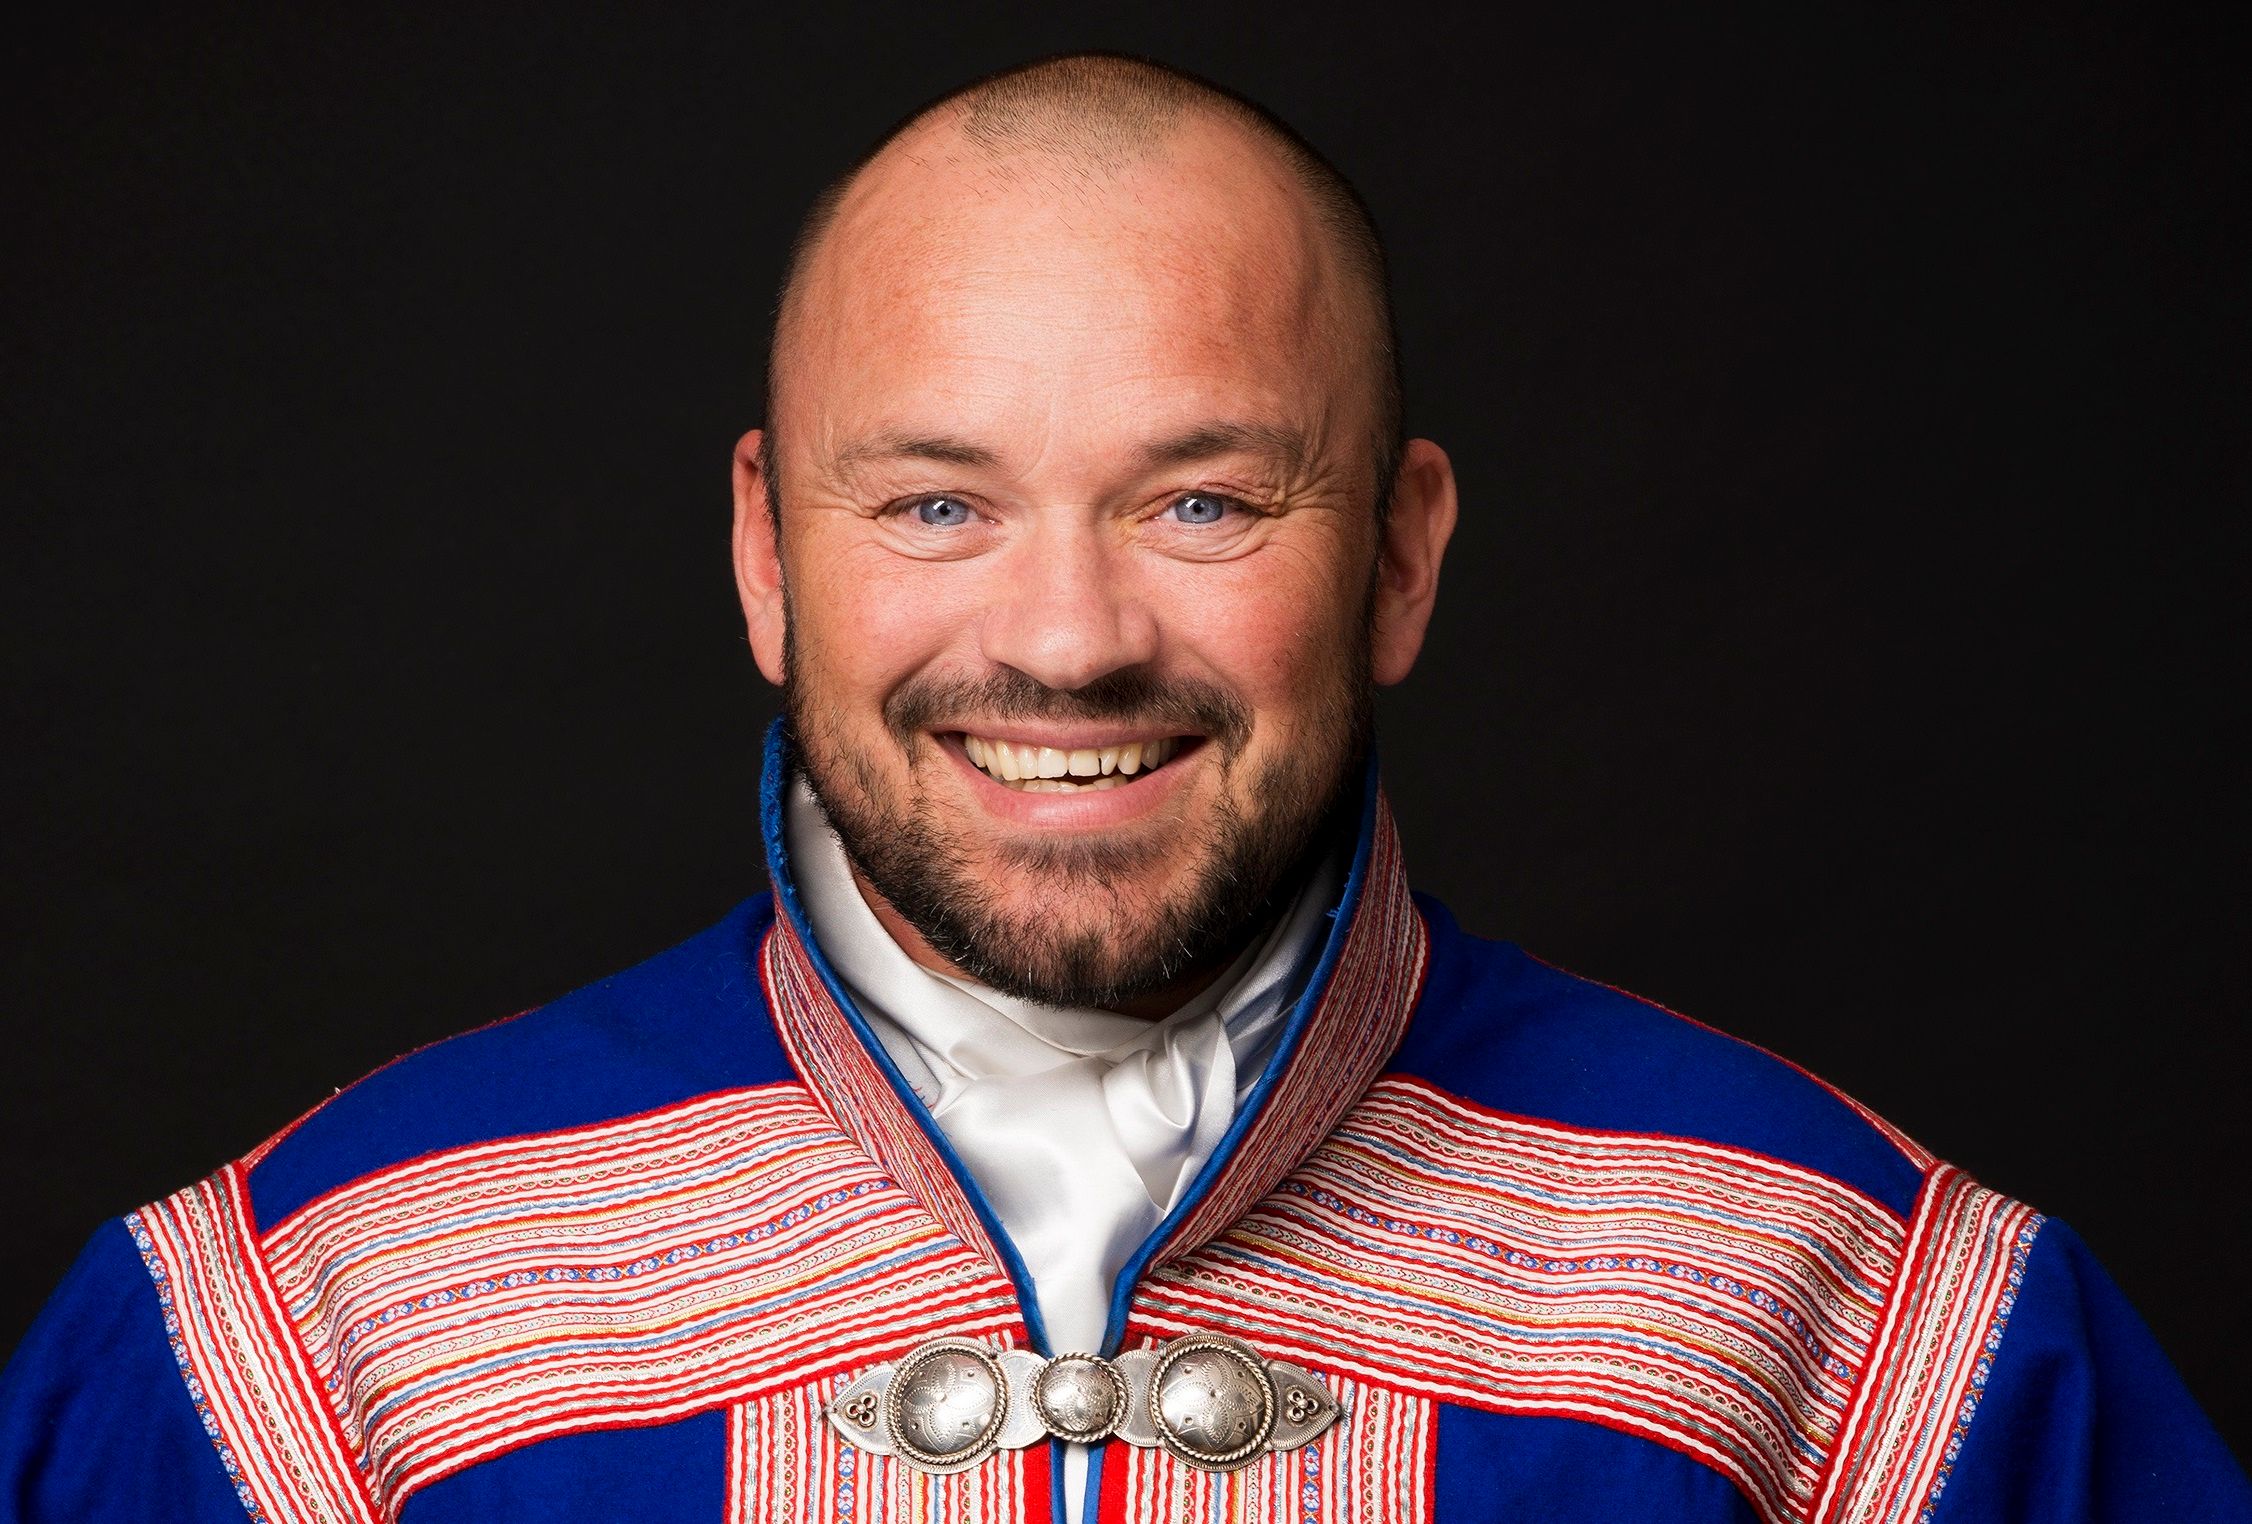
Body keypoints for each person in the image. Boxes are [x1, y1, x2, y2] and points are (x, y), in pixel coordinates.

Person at [1, 51, 2242, 1524]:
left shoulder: (1854, 1319)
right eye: (937, 505)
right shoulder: (302, 1335)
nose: (1067, 639)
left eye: (1202, 504)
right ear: (768, 557)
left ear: (1400, 555)